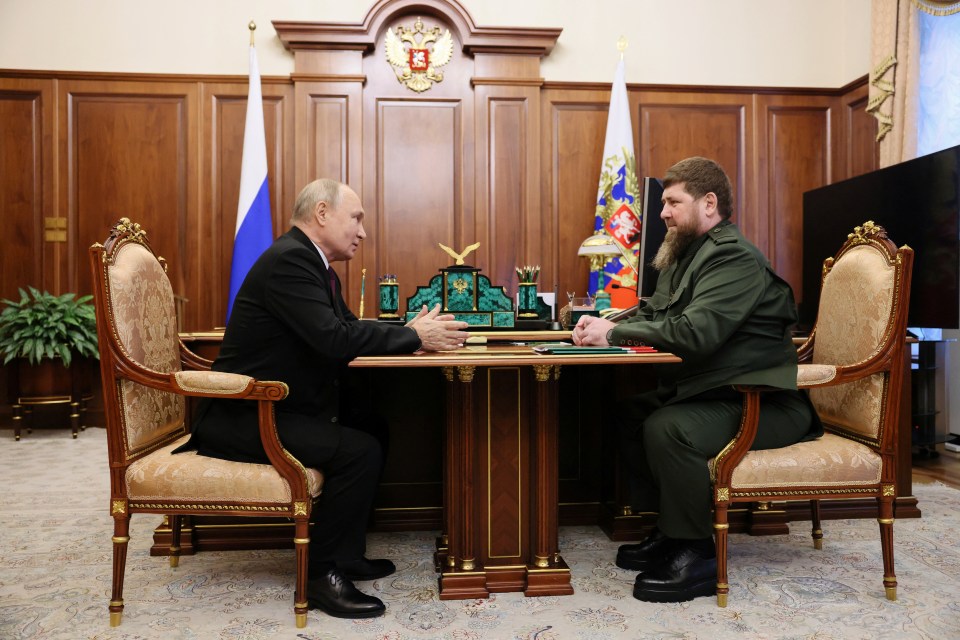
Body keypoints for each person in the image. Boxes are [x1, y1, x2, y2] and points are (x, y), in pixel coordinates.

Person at [179, 178, 470, 619]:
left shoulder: (314, 265)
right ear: (321, 213)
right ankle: (321, 576)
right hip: (244, 415)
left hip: (277, 408)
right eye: (356, 218)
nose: (363, 231)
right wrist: (412, 335)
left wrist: (410, 335)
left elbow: (349, 328)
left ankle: (347, 553)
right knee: (359, 450)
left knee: (371, 426)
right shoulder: (290, 261)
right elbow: (333, 339)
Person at [571, 157, 821, 603]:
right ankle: (672, 528)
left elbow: (696, 333)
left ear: (709, 203)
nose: (663, 212)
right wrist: (600, 322)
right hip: (715, 392)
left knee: (669, 429)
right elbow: (654, 312)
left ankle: (697, 552)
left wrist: (616, 333)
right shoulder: (688, 254)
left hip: (763, 403)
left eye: (672, 202)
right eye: (664, 202)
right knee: (631, 414)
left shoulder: (732, 258)